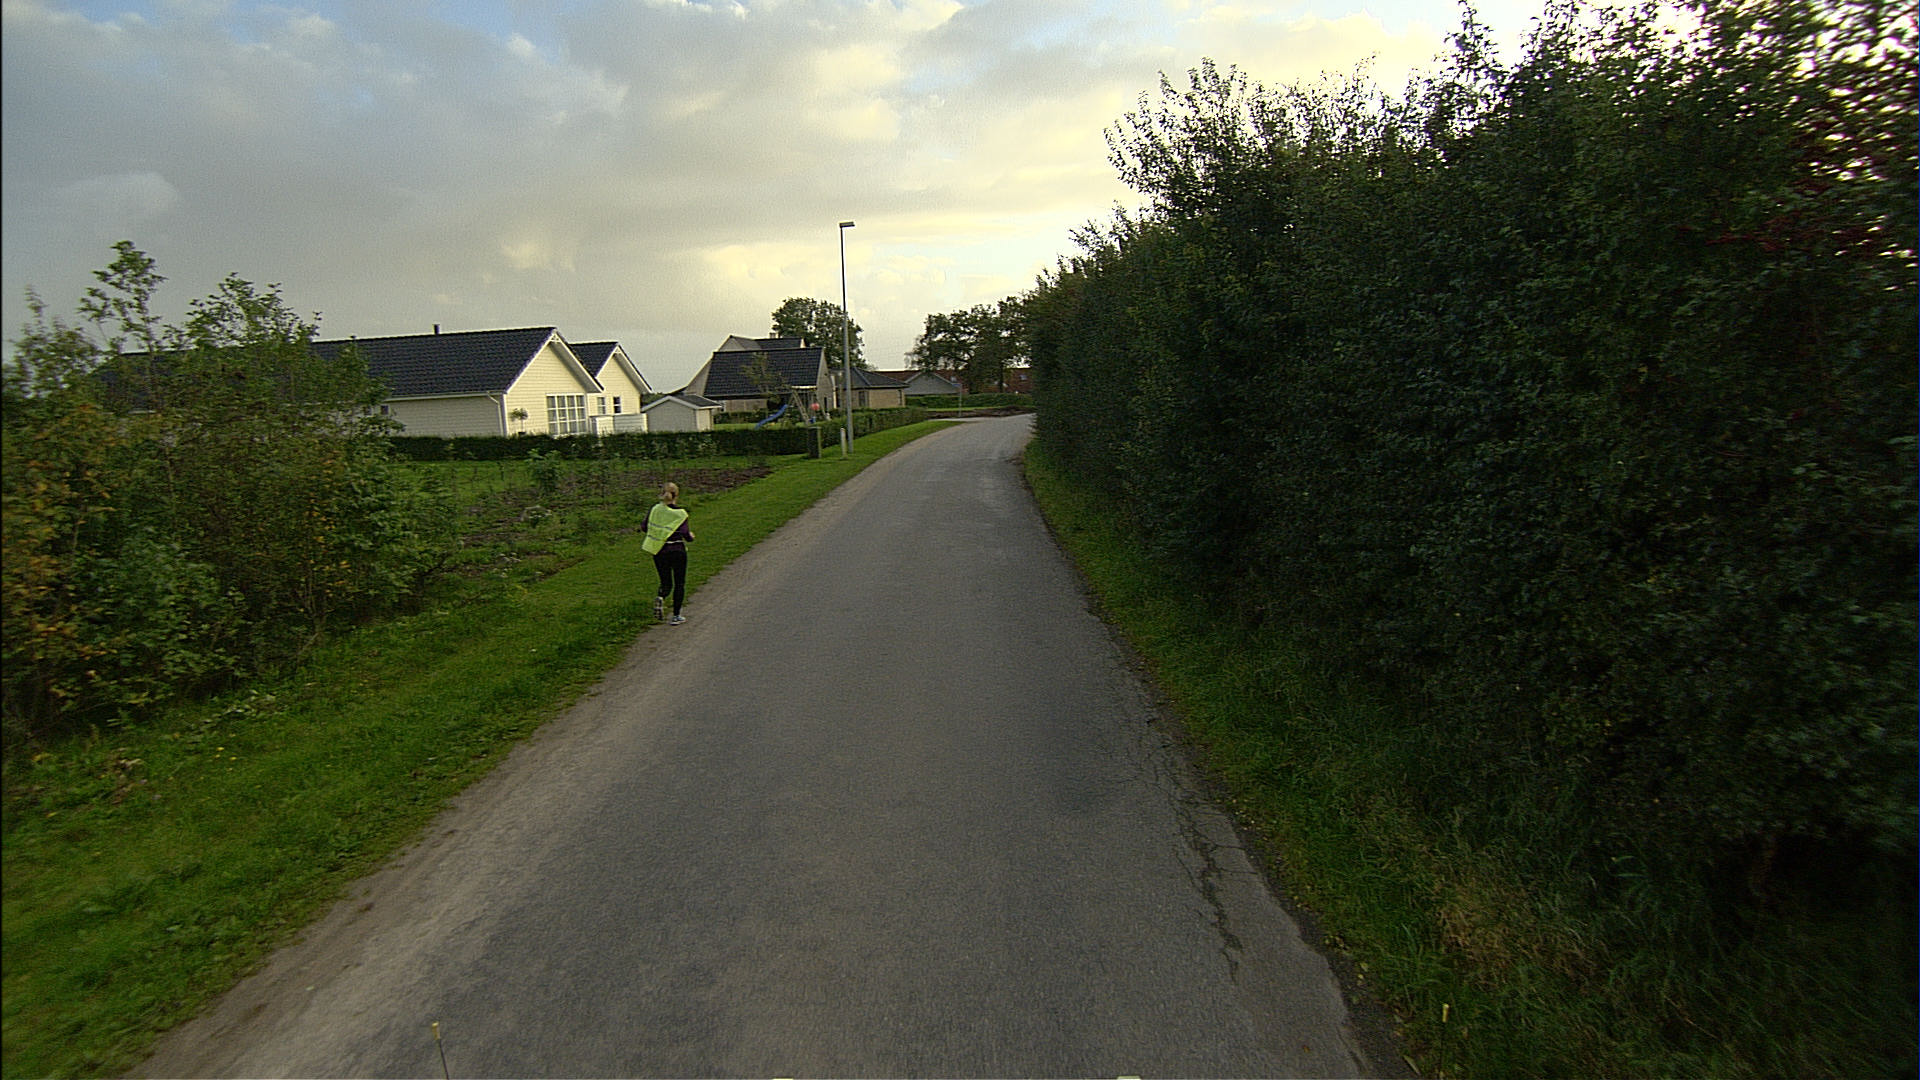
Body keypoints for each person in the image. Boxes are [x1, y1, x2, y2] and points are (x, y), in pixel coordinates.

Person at [642, 482, 694, 625]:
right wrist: (691, 537)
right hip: (677, 550)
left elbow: (644, 527)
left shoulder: (655, 510)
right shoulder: (680, 513)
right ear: (676, 495)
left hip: (659, 550)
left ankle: (661, 596)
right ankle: (676, 616)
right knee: (679, 583)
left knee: (665, 582)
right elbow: (685, 533)